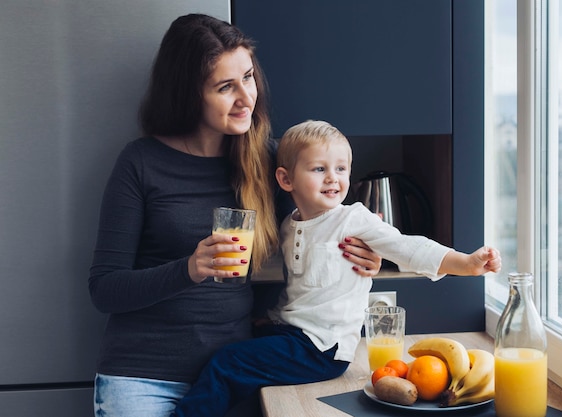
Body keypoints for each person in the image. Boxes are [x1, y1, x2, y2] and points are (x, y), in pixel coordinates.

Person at [88, 16, 381, 417]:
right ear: (189, 95)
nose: (247, 97)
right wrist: (189, 269)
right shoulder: (141, 163)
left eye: (248, 77)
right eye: (226, 87)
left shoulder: (271, 162)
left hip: (236, 377)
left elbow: (322, 228)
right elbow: (105, 289)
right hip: (143, 378)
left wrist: (362, 256)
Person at [171, 120, 502, 417]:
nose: (333, 178)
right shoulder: (289, 225)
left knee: (227, 362)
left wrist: (467, 263)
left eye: (342, 169)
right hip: (292, 332)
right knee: (230, 342)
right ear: (286, 179)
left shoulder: (353, 218)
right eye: (319, 169)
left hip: (322, 347)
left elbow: (409, 247)